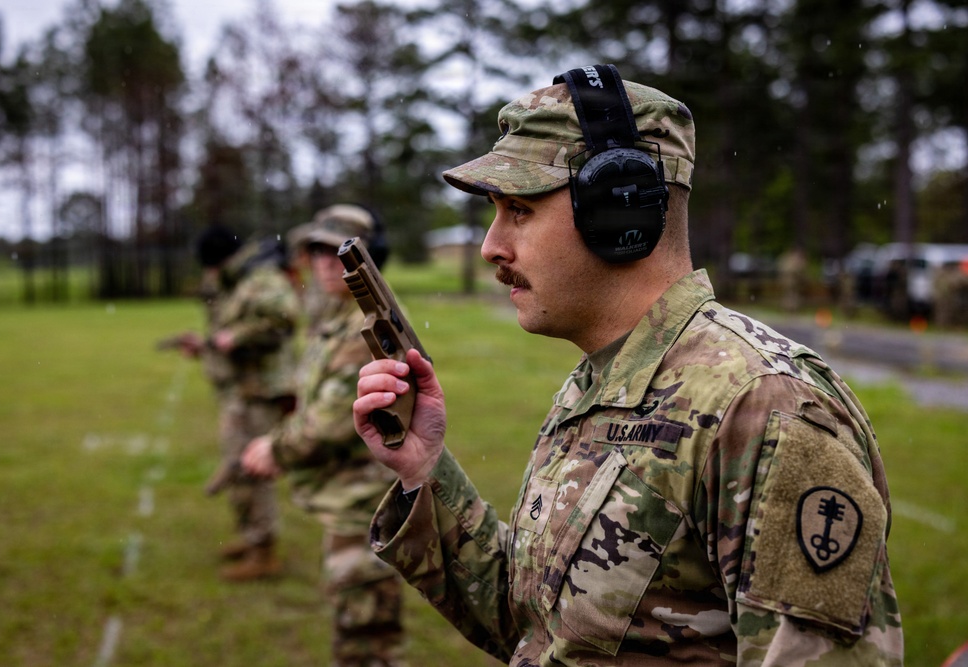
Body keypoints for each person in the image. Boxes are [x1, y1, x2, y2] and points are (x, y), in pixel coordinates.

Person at [353, 65, 903, 665]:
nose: (491, 246)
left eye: (519, 209)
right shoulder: (603, 382)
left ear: (619, 210)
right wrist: (424, 471)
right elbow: (539, 629)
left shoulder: (765, 407)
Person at [241, 205, 406, 666]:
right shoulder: (336, 318)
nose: (324, 262)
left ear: (368, 260)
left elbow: (332, 421)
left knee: (368, 645)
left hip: (364, 505)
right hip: (345, 501)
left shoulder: (367, 328)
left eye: (337, 251)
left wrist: (275, 448)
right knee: (354, 633)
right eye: (315, 250)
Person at [183, 226, 300, 581]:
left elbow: (284, 316)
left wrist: (236, 336)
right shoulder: (240, 280)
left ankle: (263, 551)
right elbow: (233, 332)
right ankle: (251, 539)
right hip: (241, 390)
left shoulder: (259, 277)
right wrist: (207, 344)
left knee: (252, 469)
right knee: (239, 467)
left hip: (259, 392)